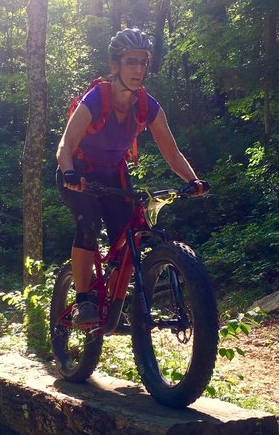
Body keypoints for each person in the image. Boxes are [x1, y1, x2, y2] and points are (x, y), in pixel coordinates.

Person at [56, 28, 209, 325]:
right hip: (79, 170)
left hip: (114, 173)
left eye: (143, 62)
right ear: (115, 65)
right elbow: (65, 145)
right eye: (131, 62)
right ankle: (83, 300)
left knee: (128, 238)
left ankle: (114, 303)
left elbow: (172, 152)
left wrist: (193, 180)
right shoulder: (96, 99)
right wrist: (70, 173)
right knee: (88, 225)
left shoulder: (146, 105)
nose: (139, 69)